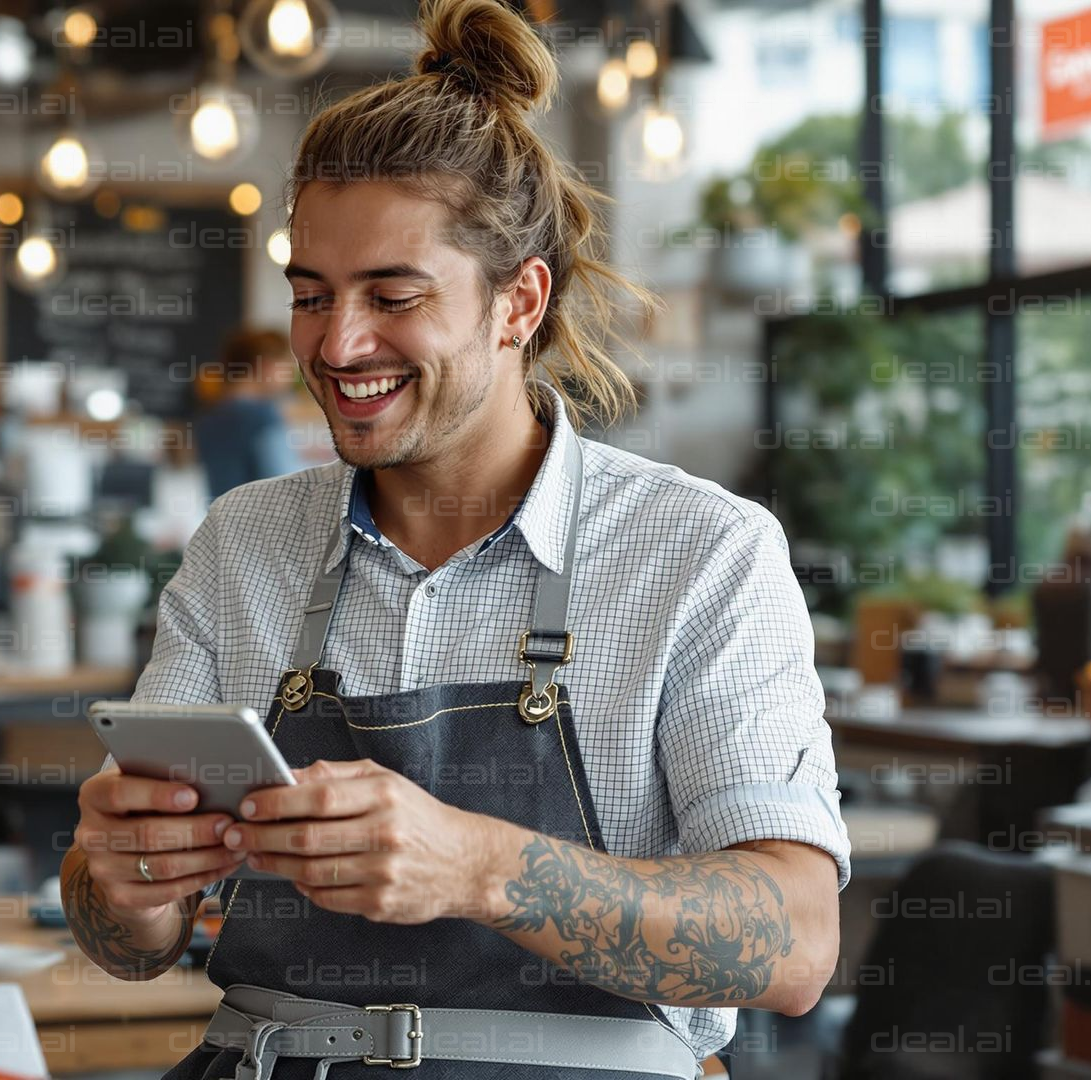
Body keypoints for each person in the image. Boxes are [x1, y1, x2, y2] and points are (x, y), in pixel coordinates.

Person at [59, 2, 848, 1077]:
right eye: (310, 297)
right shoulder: (243, 543)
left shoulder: (700, 553)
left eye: (393, 295)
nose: (338, 345)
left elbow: (795, 942)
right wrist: (117, 876)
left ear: (519, 300)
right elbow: (126, 950)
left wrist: (478, 866)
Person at [193, 328, 306, 499]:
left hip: (223, 519)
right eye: (287, 366)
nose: (291, 376)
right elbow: (287, 481)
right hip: (264, 521)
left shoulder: (209, 417)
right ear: (267, 365)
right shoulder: (262, 416)